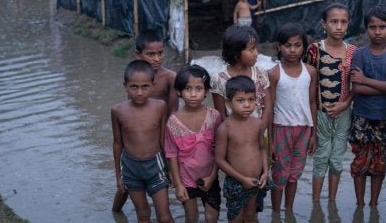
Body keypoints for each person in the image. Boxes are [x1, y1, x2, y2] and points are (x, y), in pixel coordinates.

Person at [113, 29, 179, 212]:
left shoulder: (170, 77)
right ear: (138, 54)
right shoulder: (135, 76)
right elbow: (130, 106)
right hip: (137, 131)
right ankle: (115, 212)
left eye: (160, 53)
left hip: (160, 132)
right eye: (151, 54)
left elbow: (173, 110)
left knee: (161, 177)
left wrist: (164, 141)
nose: (157, 58)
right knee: (128, 180)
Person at [349, 6, 386, 207]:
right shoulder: (360, 54)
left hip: (384, 118)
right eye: (372, 27)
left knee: (379, 164)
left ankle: (373, 204)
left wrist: (366, 80)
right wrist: (383, 87)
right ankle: (360, 205)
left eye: (382, 26)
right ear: (366, 29)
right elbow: (357, 88)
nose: (377, 31)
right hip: (361, 116)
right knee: (360, 163)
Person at [305, 3, 357, 202]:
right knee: (320, 158)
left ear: (348, 25)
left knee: (337, 160)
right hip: (320, 113)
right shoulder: (314, 50)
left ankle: (332, 202)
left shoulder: (353, 52)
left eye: (343, 22)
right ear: (324, 24)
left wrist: (345, 104)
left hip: (344, 113)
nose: (339, 27)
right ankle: (316, 203)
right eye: (334, 22)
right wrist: (311, 123)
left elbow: (356, 85)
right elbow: (308, 84)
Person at [267, 23, 318, 212]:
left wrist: (313, 133)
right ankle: (275, 212)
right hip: (281, 129)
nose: (292, 50)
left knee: (294, 174)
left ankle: (288, 211)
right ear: (279, 47)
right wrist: (270, 140)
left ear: (304, 47)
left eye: (297, 45)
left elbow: (312, 103)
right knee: (279, 175)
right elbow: (269, 109)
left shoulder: (310, 72)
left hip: (304, 130)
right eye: (287, 45)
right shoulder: (274, 73)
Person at [165, 65, 222, 223]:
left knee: (212, 216)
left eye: (198, 89)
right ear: (179, 91)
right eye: (188, 89)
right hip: (185, 179)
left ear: (206, 92)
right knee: (191, 217)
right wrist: (178, 185)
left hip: (210, 176)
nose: (193, 94)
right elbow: (171, 155)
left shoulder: (214, 117)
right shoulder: (173, 122)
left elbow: (220, 150)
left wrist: (212, 176)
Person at [215, 75, 271, 222]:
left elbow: (262, 149)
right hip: (236, 182)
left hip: (256, 180)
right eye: (241, 100)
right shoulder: (225, 129)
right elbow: (219, 160)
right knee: (236, 217)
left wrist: (265, 171)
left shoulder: (257, 124)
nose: (247, 105)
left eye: (251, 100)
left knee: (251, 213)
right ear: (228, 102)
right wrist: (242, 179)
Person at [211, 25, 273, 127]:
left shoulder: (260, 73)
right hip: (234, 137)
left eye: (256, 48)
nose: (256, 53)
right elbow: (221, 114)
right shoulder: (219, 79)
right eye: (251, 50)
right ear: (235, 53)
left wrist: (260, 129)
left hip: (259, 134)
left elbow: (267, 105)